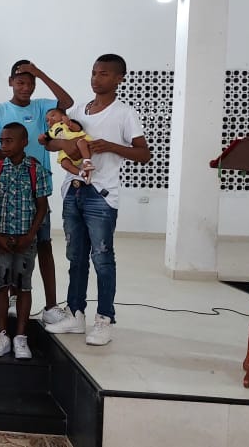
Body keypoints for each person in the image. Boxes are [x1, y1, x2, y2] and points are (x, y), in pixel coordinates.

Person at [44, 54, 150, 346]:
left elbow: (144, 153)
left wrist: (111, 146)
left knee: (102, 258)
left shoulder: (124, 113)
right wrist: (67, 145)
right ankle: (76, 313)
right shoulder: (79, 109)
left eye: (104, 74)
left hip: (101, 196)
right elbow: (52, 140)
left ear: (119, 79)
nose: (96, 78)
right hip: (73, 190)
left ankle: (104, 318)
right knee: (75, 257)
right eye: (93, 72)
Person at [0, 60, 74, 326]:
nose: (26, 87)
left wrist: (40, 73)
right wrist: (11, 154)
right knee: (11, 245)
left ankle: (50, 305)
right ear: (11, 82)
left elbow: (66, 101)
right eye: (21, 82)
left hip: (37, 185)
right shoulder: (0, 110)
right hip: (8, 187)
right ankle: (13, 297)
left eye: (30, 83)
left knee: (43, 243)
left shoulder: (42, 107)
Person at [0, 124, 51, 359]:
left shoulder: (36, 170)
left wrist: (30, 235)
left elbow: (42, 207)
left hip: (26, 239)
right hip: (1, 238)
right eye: (2, 141)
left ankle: (21, 337)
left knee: (24, 285)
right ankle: (1, 335)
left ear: (24, 142)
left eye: (9, 140)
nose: (4, 145)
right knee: (1, 284)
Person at [44, 108, 95, 182]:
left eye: (53, 115)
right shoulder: (50, 131)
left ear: (64, 115)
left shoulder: (67, 122)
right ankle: (82, 173)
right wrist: (42, 138)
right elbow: (47, 143)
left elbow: (78, 129)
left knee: (81, 143)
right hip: (65, 152)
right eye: (47, 120)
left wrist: (69, 123)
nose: (50, 120)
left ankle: (87, 162)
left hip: (78, 143)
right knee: (64, 163)